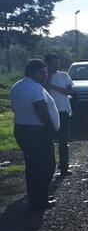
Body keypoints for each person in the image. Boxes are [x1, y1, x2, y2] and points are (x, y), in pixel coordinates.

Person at [10, 59, 59, 209]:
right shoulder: (35, 88)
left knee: (32, 166)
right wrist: (51, 128)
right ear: (33, 72)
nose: (45, 75)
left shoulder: (16, 86)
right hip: (37, 132)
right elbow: (41, 110)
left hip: (22, 129)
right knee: (46, 166)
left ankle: (36, 196)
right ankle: (40, 200)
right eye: (43, 72)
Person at [44, 53, 74, 176]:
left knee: (63, 141)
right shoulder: (43, 76)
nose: (56, 65)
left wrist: (53, 87)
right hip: (48, 112)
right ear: (47, 64)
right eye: (53, 63)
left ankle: (64, 167)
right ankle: (48, 168)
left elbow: (70, 91)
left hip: (62, 111)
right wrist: (48, 79)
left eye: (57, 63)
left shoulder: (64, 75)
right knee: (48, 142)